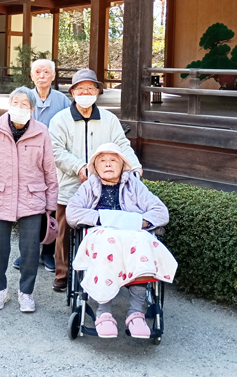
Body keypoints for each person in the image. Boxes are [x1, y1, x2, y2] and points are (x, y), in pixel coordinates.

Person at [66, 143, 174, 339]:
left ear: (123, 165)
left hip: (132, 236)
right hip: (102, 236)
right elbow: (72, 213)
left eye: (113, 160)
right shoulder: (89, 186)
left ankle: (136, 312)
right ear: (95, 167)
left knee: (143, 241)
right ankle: (104, 311)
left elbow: (161, 212)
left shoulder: (135, 186)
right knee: (108, 242)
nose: (108, 164)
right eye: (102, 161)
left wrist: (141, 222)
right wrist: (102, 218)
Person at [48, 68, 142, 293]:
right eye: (80, 89)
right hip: (70, 184)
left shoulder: (109, 119)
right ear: (72, 92)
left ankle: (100, 272)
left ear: (98, 92)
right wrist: (79, 166)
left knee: (101, 229)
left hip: (103, 186)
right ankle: (63, 274)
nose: (86, 93)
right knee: (64, 231)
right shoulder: (60, 119)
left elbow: (121, 145)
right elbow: (55, 150)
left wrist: (135, 166)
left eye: (90, 88)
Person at [0, 87, 59, 313]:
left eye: (25, 104)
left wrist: (51, 204)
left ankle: (26, 292)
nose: (20, 107)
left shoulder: (41, 131)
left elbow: (50, 170)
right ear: (9, 104)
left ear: (32, 109)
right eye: (16, 102)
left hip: (32, 197)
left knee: (30, 250)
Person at [13, 58, 71, 274]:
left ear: (53, 76)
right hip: (28, 160)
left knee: (51, 206)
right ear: (31, 76)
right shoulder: (23, 98)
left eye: (46, 72)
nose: (42, 76)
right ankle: (27, 252)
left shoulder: (62, 100)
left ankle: (48, 251)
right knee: (28, 206)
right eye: (37, 72)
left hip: (53, 161)